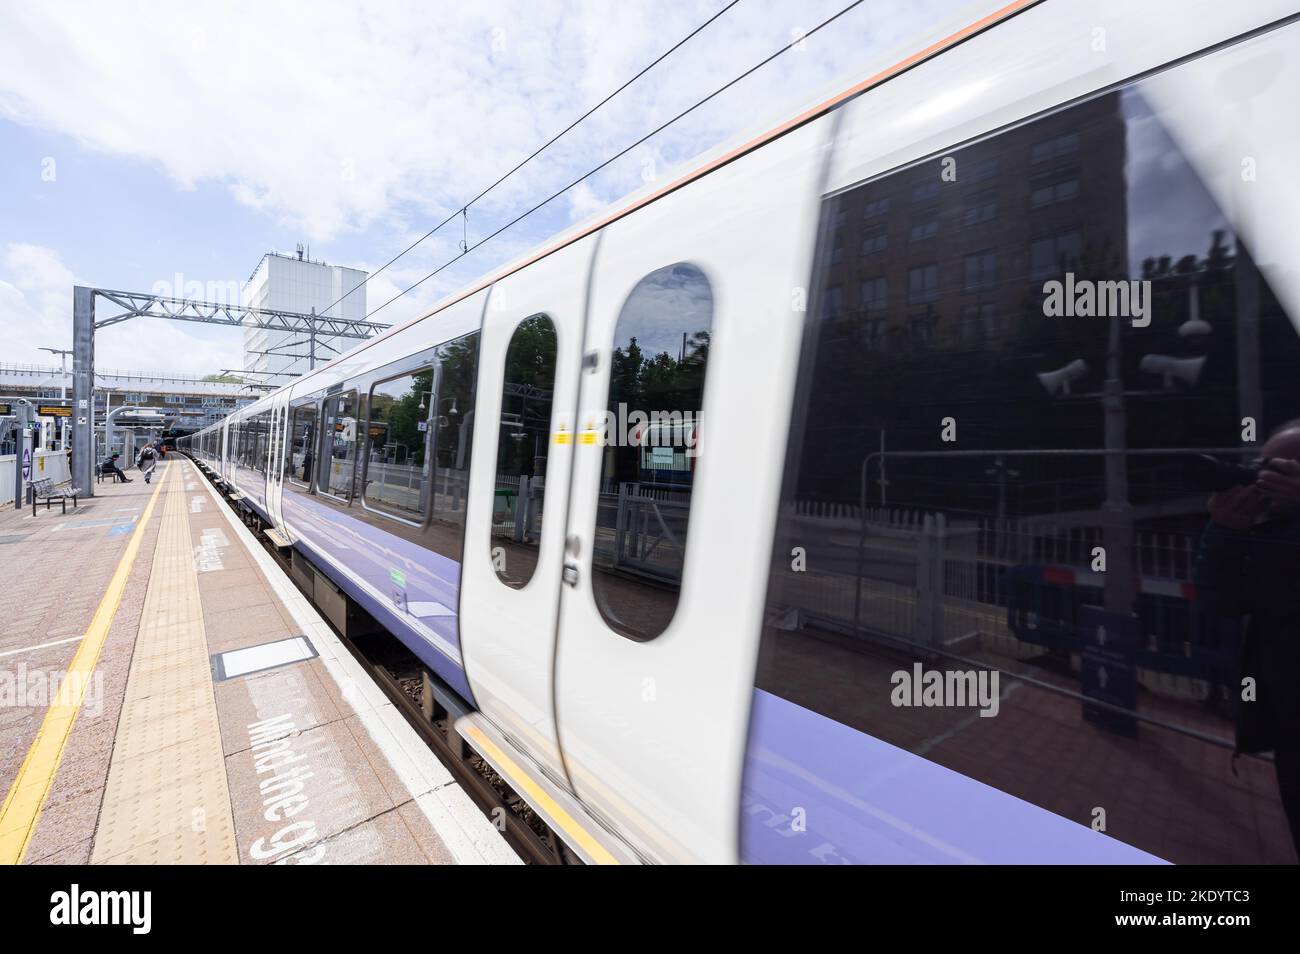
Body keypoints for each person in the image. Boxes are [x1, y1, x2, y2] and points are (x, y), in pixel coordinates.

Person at [1194, 420, 1300, 861]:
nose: (1265, 478)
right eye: (1263, 466)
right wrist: (1223, 533)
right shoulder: (1271, 535)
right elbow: (1222, 603)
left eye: (1284, 468)